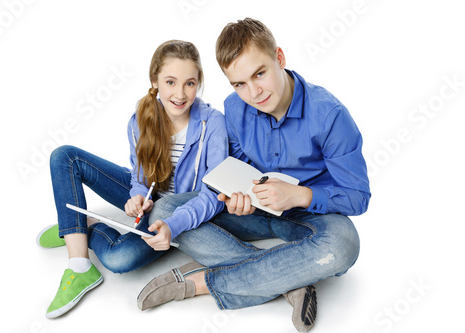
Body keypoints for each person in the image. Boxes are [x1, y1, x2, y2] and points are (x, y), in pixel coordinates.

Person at [136, 18, 371, 332]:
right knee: (165, 210)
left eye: (259, 74)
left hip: (311, 217)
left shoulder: (329, 116)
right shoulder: (235, 108)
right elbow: (238, 170)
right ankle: (292, 278)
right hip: (257, 212)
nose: (254, 92)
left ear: (280, 58)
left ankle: (201, 282)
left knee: (344, 245)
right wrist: (237, 197)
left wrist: (302, 195)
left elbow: (358, 196)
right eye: (239, 84)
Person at [36, 40, 228, 319]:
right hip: (153, 199)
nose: (180, 93)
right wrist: (137, 196)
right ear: (155, 80)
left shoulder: (213, 124)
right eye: (171, 82)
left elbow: (213, 194)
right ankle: (79, 264)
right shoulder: (141, 119)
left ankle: (78, 227)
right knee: (64, 156)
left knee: (118, 258)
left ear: (199, 83)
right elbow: (138, 177)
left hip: (177, 213)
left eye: (189, 83)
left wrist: (173, 224)